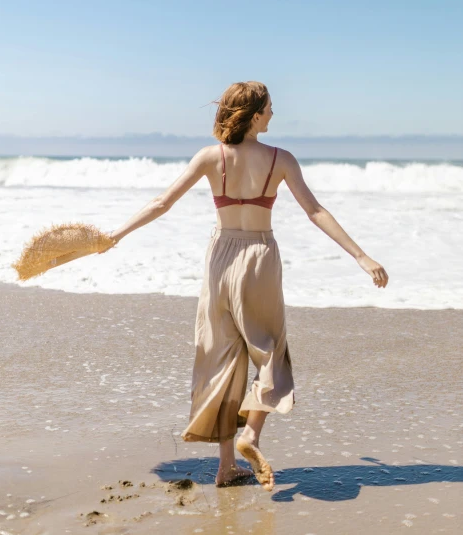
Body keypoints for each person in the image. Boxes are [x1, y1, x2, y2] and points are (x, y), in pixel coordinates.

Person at [101, 81, 389, 490]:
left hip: (220, 259)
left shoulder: (208, 157)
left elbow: (161, 204)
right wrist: (361, 256)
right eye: (269, 108)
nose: (273, 114)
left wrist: (114, 235)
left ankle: (224, 467)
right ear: (254, 115)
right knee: (269, 350)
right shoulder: (281, 160)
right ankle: (250, 435)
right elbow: (315, 211)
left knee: (222, 361)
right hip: (259, 258)